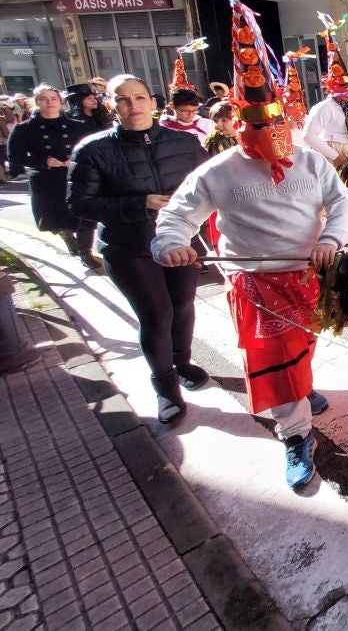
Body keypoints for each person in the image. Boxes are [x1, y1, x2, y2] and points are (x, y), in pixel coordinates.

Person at [151, 0, 348, 490]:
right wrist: (169, 244)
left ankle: (300, 391)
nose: (272, 141)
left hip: (309, 274)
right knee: (275, 358)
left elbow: (342, 201)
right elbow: (178, 216)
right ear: (240, 127)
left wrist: (332, 237)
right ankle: (296, 434)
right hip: (256, 281)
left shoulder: (309, 160)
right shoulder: (218, 169)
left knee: (300, 348)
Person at [67, 75, 209, 423]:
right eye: (124, 99)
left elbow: (211, 184)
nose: (134, 106)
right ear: (111, 105)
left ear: (153, 101)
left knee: (183, 306)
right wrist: (140, 203)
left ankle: (183, 363)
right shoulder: (92, 149)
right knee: (157, 315)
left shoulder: (185, 143)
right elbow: (79, 203)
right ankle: (165, 389)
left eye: (140, 97)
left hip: (182, 242)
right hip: (129, 248)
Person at [7, 85, 98, 269]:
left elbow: (92, 149)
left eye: (53, 98)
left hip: (75, 176)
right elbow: (15, 157)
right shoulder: (25, 129)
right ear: (36, 102)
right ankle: (67, 236)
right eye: (44, 99)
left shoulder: (78, 126)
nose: (49, 102)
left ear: (61, 102)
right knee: (60, 218)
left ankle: (85, 252)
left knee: (85, 216)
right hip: (47, 180)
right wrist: (44, 161)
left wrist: (75, 159)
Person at [303, 24, 348, 240]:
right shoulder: (323, 108)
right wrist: (336, 157)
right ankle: (334, 241)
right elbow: (309, 136)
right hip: (334, 155)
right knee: (333, 201)